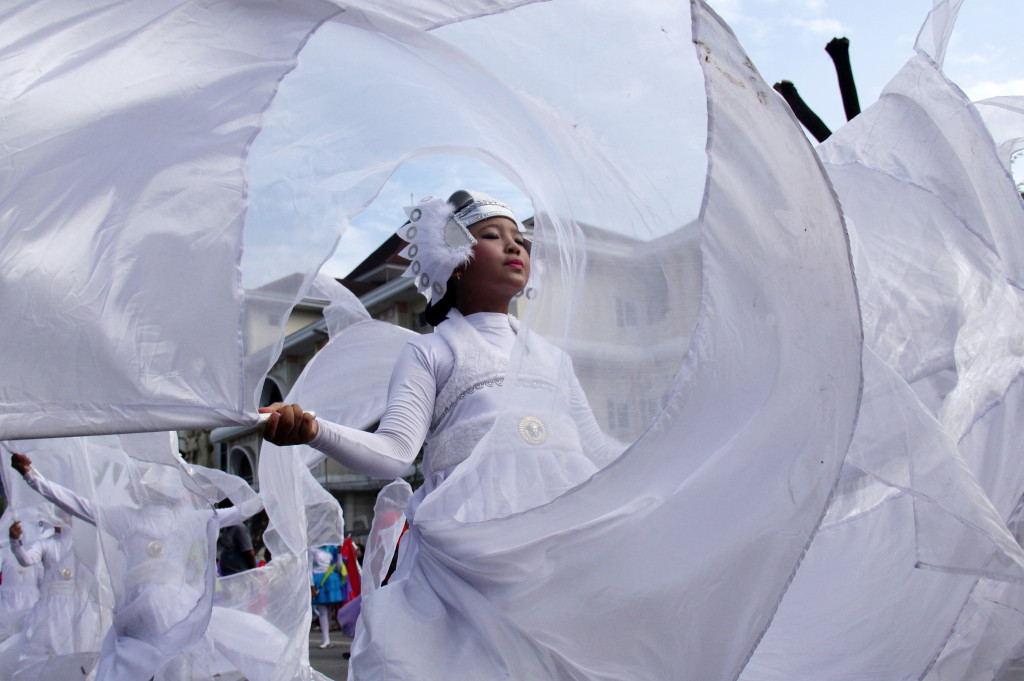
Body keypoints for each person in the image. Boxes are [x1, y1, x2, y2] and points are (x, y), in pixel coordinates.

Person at [261, 190, 622, 677]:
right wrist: (314, 430)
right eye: (493, 237)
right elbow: (394, 453)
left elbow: (598, 452)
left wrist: (680, 449)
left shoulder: (554, 359)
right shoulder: (434, 352)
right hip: (472, 549)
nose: (515, 247)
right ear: (454, 262)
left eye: (520, 239)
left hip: (561, 539)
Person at [9, 451, 261, 681]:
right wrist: (32, 477)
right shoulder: (132, 518)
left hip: (162, 611)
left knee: (167, 667)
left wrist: (33, 478)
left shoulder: (181, 519)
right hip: (146, 614)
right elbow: (76, 504)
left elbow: (76, 504)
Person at [309, 544, 347, 649]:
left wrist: (339, 553)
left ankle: (326, 638)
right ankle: (325, 638)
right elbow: (309, 568)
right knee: (322, 611)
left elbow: (339, 567)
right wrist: (311, 586)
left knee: (329, 610)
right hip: (318, 580)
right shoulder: (312, 548)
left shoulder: (332, 548)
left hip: (330, 580)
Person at [217, 500, 258, 576]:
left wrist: (254, 573)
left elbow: (249, 553)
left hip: (239, 575)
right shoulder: (226, 530)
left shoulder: (239, 528)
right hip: (229, 576)